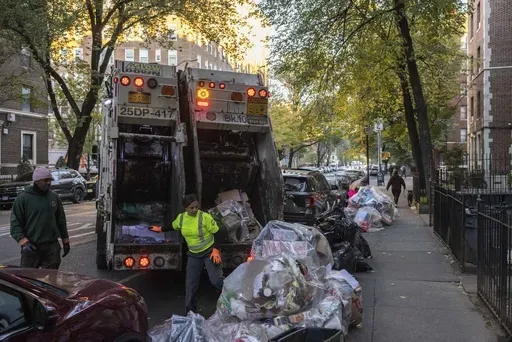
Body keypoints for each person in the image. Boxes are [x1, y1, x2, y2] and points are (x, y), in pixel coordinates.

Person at [149, 194, 224, 314]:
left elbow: (219, 232)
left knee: (216, 280)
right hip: (194, 254)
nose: (194, 210)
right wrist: (160, 229)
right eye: (191, 208)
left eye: (196, 207)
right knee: (190, 285)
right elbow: (173, 226)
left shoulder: (205, 217)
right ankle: (190, 313)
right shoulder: (182, 218)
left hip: (209, 252)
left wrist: (216, 249)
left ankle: (232, 294)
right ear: (185, 208)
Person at [10, 167, 70, 269]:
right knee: (28, 279)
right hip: (31, 246)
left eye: (50, 180)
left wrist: (65, 241)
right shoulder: (23, 199)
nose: (48, 183)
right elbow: (15, 224)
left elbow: (61, 220)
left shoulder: (54, 197)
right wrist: (24, 243)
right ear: (36, 181)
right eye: (45, 180)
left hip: (51, 247)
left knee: (52, 279)